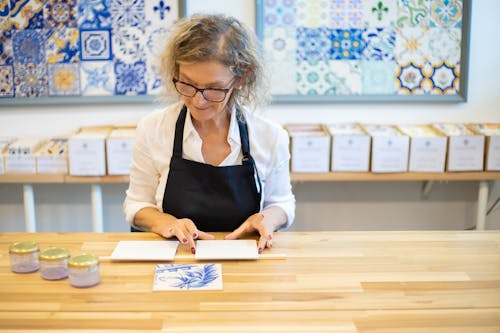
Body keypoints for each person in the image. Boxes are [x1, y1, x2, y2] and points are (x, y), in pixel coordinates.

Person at [123, 13, 295, 254]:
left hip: (245, 264)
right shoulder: (153, 128)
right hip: (175, 261)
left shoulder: (270, 135)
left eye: (213, 89)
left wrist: (268, 218)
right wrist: (168, 224)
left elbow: (282, 204)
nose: (197, 100)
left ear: (240, 78)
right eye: (187, 84)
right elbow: (137, 204)